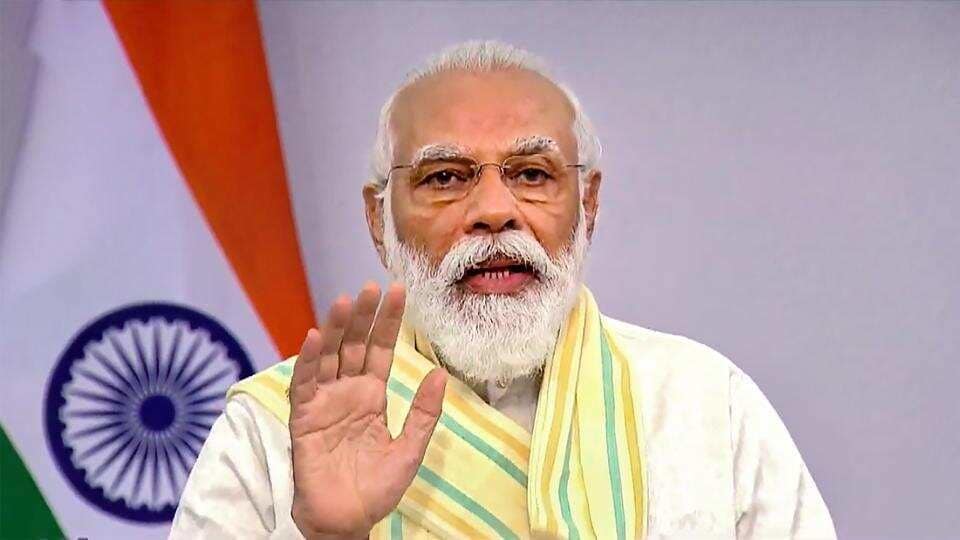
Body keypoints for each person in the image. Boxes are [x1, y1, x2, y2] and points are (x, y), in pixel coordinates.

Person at [170, 40, 837, 539]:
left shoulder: (704, 403)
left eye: (532, 174)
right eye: (445, 178)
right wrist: (330, 538)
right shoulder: (273, 430)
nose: (494, 210)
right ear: (379, 221)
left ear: (589, 205)